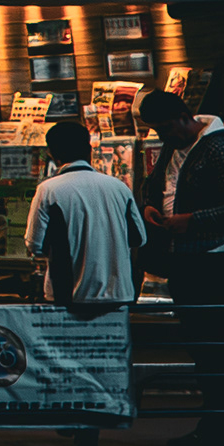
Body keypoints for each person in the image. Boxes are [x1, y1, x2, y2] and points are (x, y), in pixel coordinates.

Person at [137, 82, 224, 446]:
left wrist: (193, 220)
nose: (164, 137)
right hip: (184, 256)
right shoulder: (176, 146)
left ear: (183, 117)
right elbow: (155, 183)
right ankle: (217, 423)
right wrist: (149, 204)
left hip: (211, 256)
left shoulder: (220, 148)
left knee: (216, 344)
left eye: (166, 129)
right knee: (202, 345)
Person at [24, 119, 148, 312]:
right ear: (89, 150)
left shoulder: (48, 190)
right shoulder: (119, 188)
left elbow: (34, 244)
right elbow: (138, 239)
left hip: (69, 294)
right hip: (118, 294)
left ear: (52, 154)